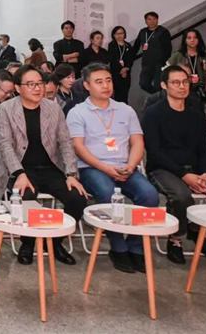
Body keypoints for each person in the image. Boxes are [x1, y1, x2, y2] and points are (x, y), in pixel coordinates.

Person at [143, 66, 206, 264]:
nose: (182, 87)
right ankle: (176, 239)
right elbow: (155, 152)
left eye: (185, 82)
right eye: (176, 82)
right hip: (164, 168)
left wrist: (205, 174)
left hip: (197, 169)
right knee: (181, 197)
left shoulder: (196, 114)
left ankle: (197, 230)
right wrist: (184, 175)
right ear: (164, 85)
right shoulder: (153, 114)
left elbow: (205, 150)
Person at [67, 63, 159, 273]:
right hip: (92, 167)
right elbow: (78, 147)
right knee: (107, 194)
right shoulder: (77, 112)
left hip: (125, 167)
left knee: (149, 196)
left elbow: (138, 142)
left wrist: (131, 166)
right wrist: (105, 168)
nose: (106, 86)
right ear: (87, 86)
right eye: (99, 82)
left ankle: (136, 247)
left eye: (108, 80)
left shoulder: (125, 110)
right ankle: (118, 247)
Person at [0, 65, 87, 265]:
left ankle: (54, 242)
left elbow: (65, 142)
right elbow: (5, 145)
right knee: (26, 196)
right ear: (18, 88)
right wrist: (19, 173)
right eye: (30, 84)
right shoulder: (6, 109)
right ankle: (27, 243)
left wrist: (71, 174)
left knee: (77, 198)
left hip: (50, 167)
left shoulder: (53, 108)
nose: (37, 88)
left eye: (40, 84)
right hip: (20, 168)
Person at [167, 28, 206, 105]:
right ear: (185, 40)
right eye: (189, 38)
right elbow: (166, 70)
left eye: (195, 37)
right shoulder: (178, 55)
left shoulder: (204, 56)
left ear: (199, 40)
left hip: (199, 90)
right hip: (183, 90)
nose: (192, 40)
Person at [133, 11, 172, 93]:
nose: (152, 21)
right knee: (143, 84)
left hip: (159, 64)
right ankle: (158, 96)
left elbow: (168, 49)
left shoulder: (163, 31)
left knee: (158, 86)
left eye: (154, 19)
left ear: (157, 20)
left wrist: (162, 61)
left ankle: (159, 97)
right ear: (145, 21)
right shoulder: (143, 32)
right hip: (146, 64)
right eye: (149, 19)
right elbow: (136, 47)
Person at [108, 26, 134, 104]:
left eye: (121, 33)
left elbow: (130, 59)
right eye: (117, 34)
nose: (119, 35)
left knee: (125, 94)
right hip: (116, 73)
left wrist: (126, 68)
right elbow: (112, 59)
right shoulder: (112, 45)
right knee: (117, 95)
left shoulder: (128, 45)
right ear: (114, 35)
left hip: (126, 73)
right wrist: (121, 69)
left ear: (124, 34)